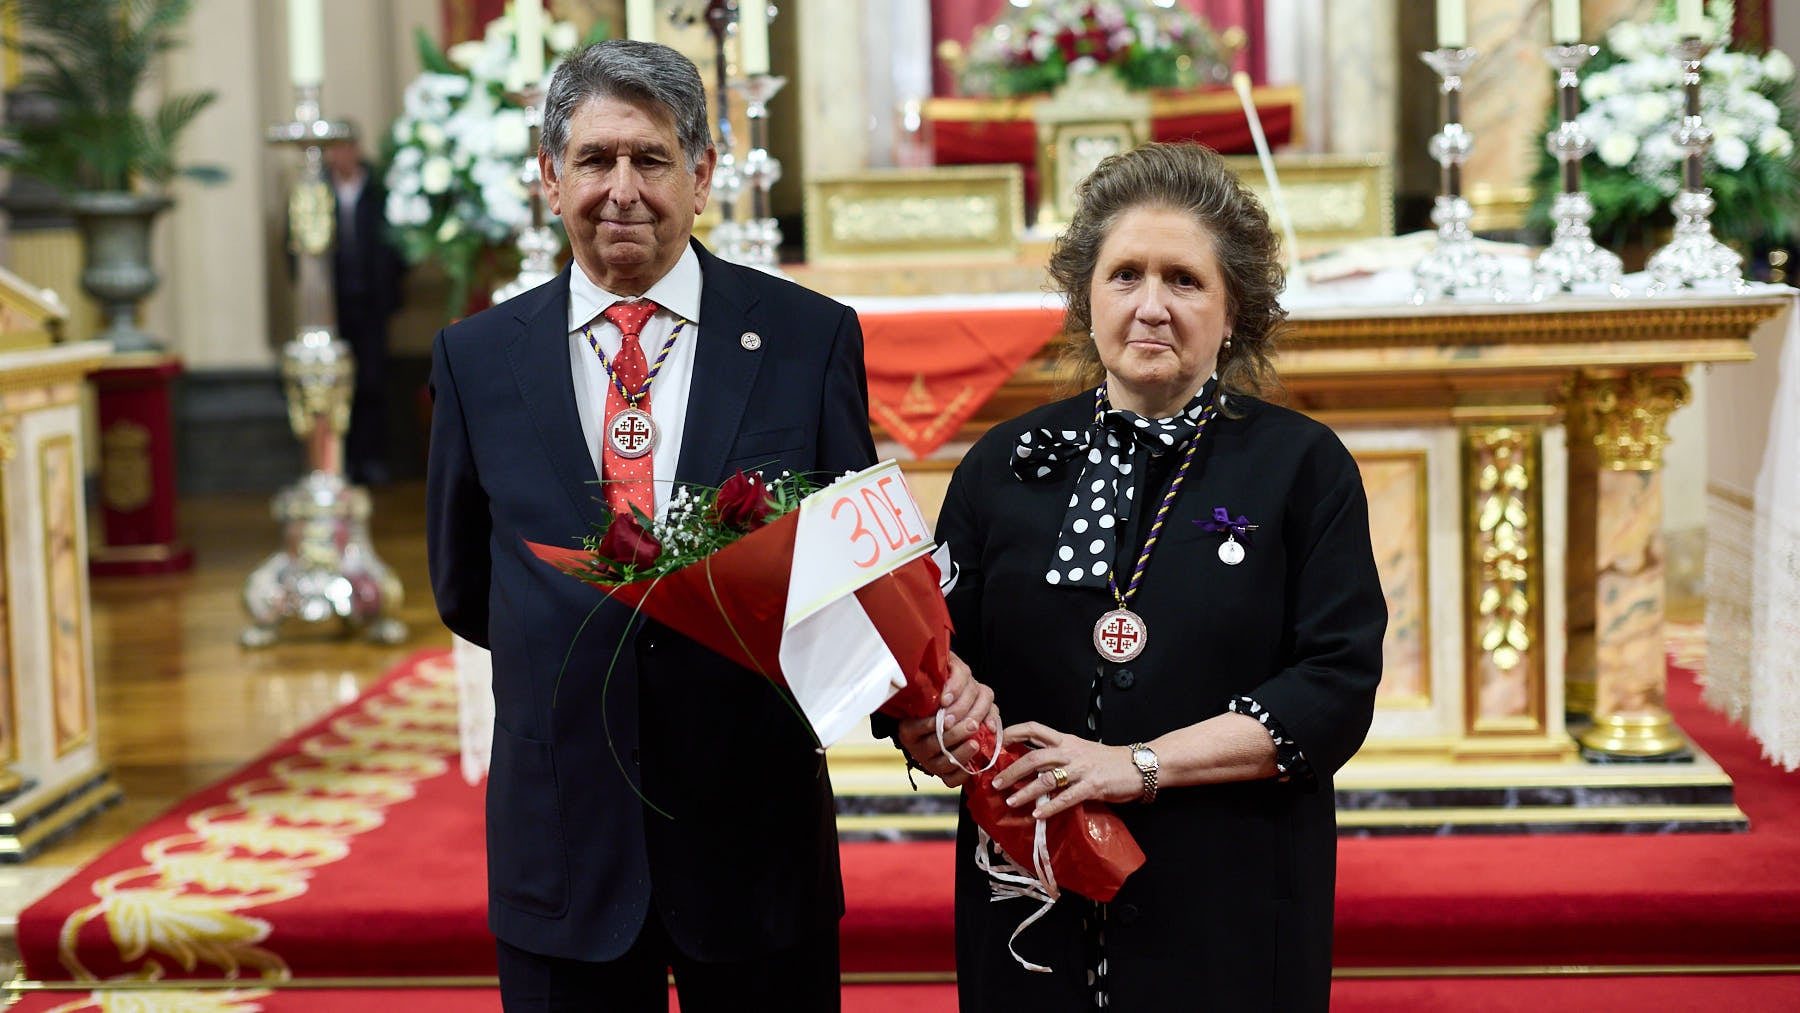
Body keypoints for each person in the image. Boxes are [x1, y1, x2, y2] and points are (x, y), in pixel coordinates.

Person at [427, 40, 993, 1012]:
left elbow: (867, 566)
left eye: (650, 159)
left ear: (702, 174)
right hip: (564, 837)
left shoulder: (807, 339)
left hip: (754, 832)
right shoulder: (476, 358)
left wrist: (918, 704)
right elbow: (467, 584)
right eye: (595, 159)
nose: (622, 188)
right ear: (548, 174)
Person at [897, 142, 1386, 1011]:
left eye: (1184, 280)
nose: (1151, 307)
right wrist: (933, 722)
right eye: (1125, 275)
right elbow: (931, 655)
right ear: (1086, 298)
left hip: (1228, 892)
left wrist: (1138, 764)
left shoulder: (1301, 466)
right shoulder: (1006, 461)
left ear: (1234, 307)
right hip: (1030, 881)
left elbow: (1334, 686)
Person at [324, 135, 405, 486]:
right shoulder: (319, 191)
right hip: (334, 304)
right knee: (339, 383)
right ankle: (344, 461)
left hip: (373, 302)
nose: (340, 155)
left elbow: (397, 242)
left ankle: (373, 459)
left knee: (373, 381)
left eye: (346, 147)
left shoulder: (378, 190)